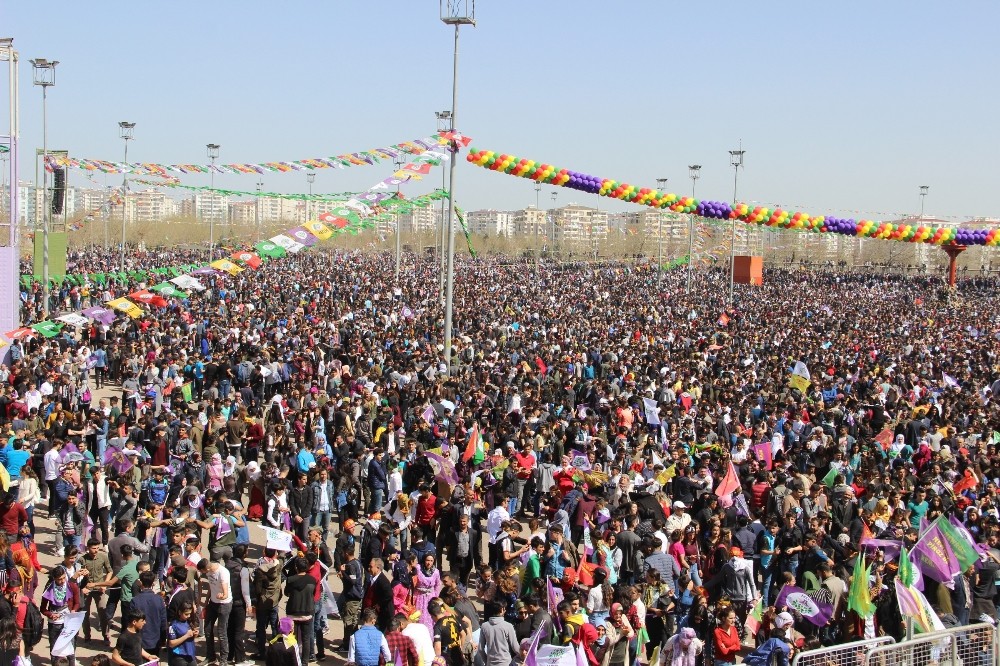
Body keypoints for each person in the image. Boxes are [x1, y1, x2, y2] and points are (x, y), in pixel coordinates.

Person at [197, 556, 233, 666]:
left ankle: (223, 660)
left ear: (206, 569)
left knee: (221, 633)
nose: (202, 574)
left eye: (201, 571)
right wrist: (206, 601)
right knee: (208, 630)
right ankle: (210, 656)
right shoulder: (208, 572)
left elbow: (225, 593)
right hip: (212, 603)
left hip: (224, 605)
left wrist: (222, 596)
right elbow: (211, 587)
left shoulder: (223, 573)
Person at [80, 537, 113, 644]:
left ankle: (106, 635)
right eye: (93, 548)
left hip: (99, 589)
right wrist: (82, 588)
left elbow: (109, 571)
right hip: (86, 590)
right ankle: (87, 635)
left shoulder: (103, 557)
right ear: (88, 548)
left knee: (103, 613)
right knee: (85, 614)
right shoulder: (82, 560)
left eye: (97, 548)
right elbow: (77, 575)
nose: (96, 550)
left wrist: (105, 584)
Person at [129, 570, 167, 655]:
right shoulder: (159, 599)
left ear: (141, 583)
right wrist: (163, 639)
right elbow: (163, 621)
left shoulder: (135, 600)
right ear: (153, 583)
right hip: (155, 640)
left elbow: (131, 622)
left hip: (139, 639)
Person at [479, 601, 519, 666]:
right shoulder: (508, 626)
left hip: (490, 663)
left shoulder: (484, 626)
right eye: (504, 609)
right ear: (502, 610)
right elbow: (515, 648)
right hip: (506, 663)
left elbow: (480, 649)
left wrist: (487, 662)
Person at [429, 598, 466, 666]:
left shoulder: (438, 626)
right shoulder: (453, 618)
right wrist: (461, 648)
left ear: (432, 616)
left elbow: (437, 647)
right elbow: (463, 634)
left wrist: (438, 660)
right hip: (457, 653)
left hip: (447, 657)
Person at [166, 601, 198, 666]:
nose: (188, 616)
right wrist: (186, 636)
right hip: (179, 656)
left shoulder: (189, 622)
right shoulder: (174, 625)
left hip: (190, 654)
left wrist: (194, 635)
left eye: (189, 614)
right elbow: (171, 643)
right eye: (186, 614)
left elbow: (190, 638)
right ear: (180, 612)